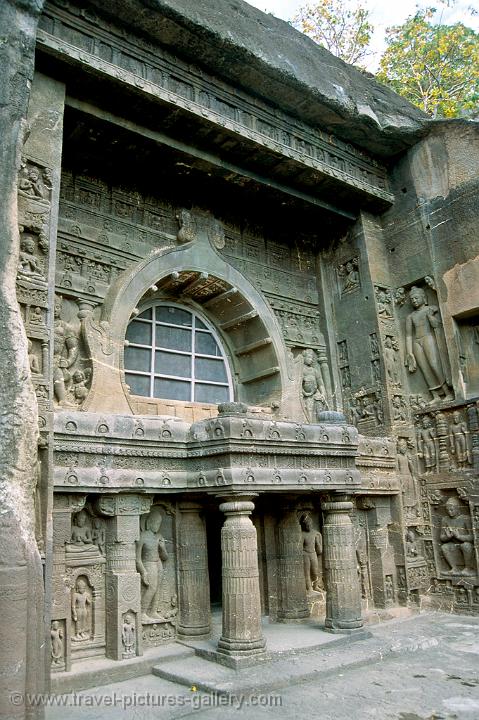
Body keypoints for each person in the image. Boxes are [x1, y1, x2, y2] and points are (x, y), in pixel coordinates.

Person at [405, 286, 453, 405]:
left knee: (434, 364)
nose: (414, 301)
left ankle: (448, 393)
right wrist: (409, 352)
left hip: (428, 338)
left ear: (423, 298)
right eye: (412, 299)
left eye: (416, 298)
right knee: (424, 368)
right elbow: (408, 335)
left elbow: (436, 324)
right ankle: (435, 395)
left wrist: (431, 315)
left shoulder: (430, 309)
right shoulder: (410, 317)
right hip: (417, 342)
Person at [136, 506, 169, 621]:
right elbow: (137, 558)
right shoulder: (143, 536)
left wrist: (163, 547)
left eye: (159, 523)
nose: (157, 525)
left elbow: (165, 557)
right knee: (152, 588)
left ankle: (153, 611)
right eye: (155, 522)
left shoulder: (159, 536)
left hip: (158, 563)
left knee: (158, 588)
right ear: (149, 522)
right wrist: (144, 572)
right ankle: (142, 612)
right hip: (148, 563)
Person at [440, 497, 475, 576]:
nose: (450, 512)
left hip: (466, 544)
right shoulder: (445, 519)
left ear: (457, 508)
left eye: (452, 509)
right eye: (448, 510)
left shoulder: (465, 518)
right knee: (444, 547)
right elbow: (441, 537)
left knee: (466, 545)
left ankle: (468, 568)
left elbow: (473, 537)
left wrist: (459, 536)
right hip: (454, 545)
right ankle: (454, 568)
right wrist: (448, 537)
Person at [300, 513, 323, 593]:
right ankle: (309, 588)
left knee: (315, 571)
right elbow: (299, 548)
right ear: (303, 525)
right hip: (305, 554)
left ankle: (316, 586)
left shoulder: (316, 534)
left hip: (313, 553)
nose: (308, 526)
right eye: (307, 525)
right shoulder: (302, 534)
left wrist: (317, 542)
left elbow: (320, 551)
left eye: (310, 525)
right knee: (306, 572)